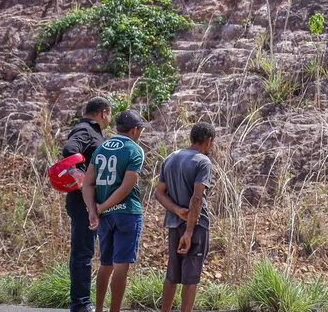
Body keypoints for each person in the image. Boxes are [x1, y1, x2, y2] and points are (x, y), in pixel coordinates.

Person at [83, 110, 148, 312]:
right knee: (121, 266)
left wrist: (93, 210)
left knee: (105, 264)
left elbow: (87, 183)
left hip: (105, 216)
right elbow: (126, 187)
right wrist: (101, 207)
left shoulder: (101, 148)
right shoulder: (134, 150)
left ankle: (100, 308)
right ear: (135, 130)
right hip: (127, 213)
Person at [154, 122, 216, 312]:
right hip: (195, 227)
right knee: (191, 277)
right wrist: (189, 232)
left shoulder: (171, 158)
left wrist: (176, 210)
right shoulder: (202, 161)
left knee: (172, 274)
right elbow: (196, 199)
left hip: (174, 224)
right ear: (208, 141)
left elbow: (159, 193)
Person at [62, 97, 112, 312]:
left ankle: (82, 302)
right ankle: (81, 304)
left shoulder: (92, 132)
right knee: (83, 254)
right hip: (82, 203)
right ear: (103, 112)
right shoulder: (85, 130)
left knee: (86, 252)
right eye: (110, 114)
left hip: (90, 203)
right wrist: (82, 181)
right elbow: (69, 150)